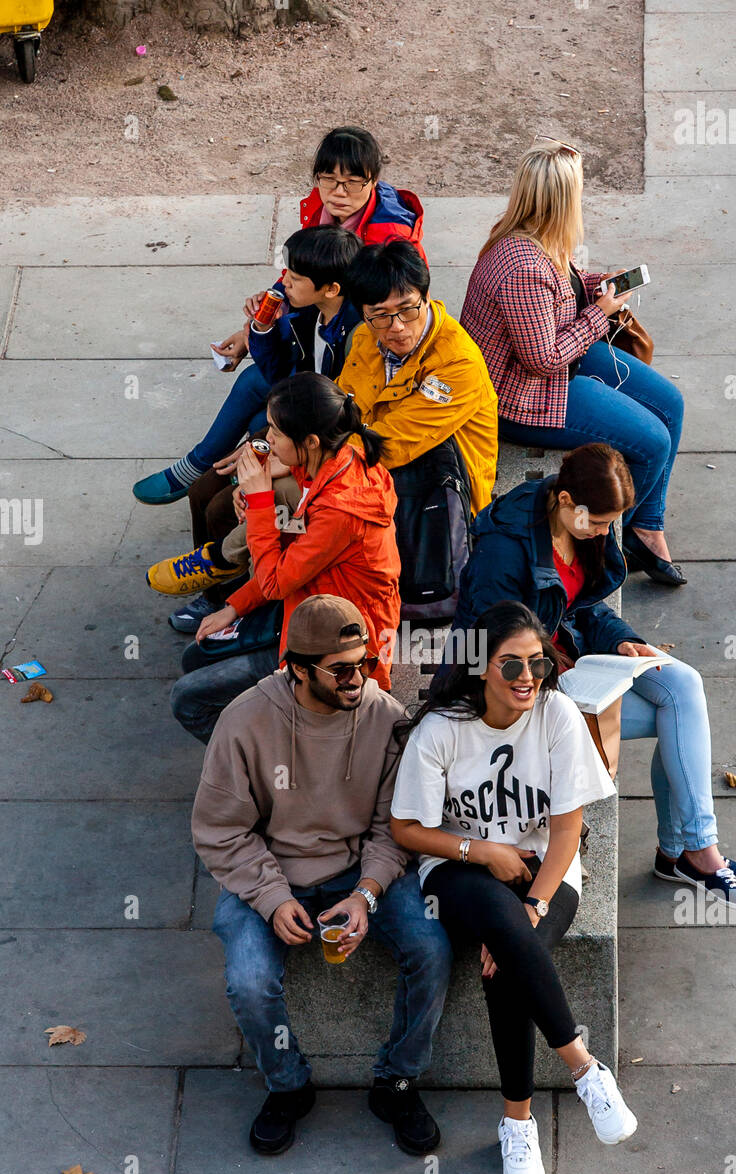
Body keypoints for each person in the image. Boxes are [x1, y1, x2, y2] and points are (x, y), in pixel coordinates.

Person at [390, 601, 635, 1174]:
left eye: (538, 663)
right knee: (503, 929)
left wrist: (535, 907)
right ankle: (582, 1066)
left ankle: (517, 1123)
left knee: (506, 964)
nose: (528, 677)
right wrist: (481, 851)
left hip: (546, 874)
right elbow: (405, 828)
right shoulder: (442, 730)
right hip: (456, 870)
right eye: (511, 665)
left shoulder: (556, 716)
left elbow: (567, 831)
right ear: (480, 669)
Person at [192, 594, 451, 1157]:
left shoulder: (384, 717)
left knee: (431, 946)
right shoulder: (244, 722)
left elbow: (395, 824)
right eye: (341, 669)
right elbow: (220, 830)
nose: (359, 678)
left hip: (358, 868)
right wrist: (270, 896)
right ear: (297, 670)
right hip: (267, 870)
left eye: (365, 662)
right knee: (249, 981)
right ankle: (288, 1087)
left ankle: (398, 1082)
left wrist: (367, 891)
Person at [448, 444, 736, 908]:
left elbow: (584, 608)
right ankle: (683, 854)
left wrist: (621, 641)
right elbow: (495, 649)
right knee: (675, 722)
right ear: (565, 499)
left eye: (610, 523)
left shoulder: (581, 526)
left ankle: (695, 848)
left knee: (681, 684)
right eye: (596, 522)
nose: (602, 533)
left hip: (566, 663)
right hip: (511, 688)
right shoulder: (505, 549)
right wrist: (557, 669)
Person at [133, 125, 424, 512]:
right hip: (317, 366)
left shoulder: (385, 254)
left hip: (345, 396)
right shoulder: (323, 224)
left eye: (352, 182)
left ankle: (209, 471)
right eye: (328, 180)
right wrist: (257, 327)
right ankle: (204, 468)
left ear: (373, 181)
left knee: (253, 416)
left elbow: (378, 350)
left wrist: (274, 440)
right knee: (256, 389)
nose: (338, 192)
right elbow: (301, 276)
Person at [460, 137, 686, 586]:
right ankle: (609, 541)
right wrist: (599, 315)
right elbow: (544, 359)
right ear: (562, 201)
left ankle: (646, 524)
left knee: (670, 404)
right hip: (525, 396)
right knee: (652, 443)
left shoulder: (535, 233)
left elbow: (561, 287)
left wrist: (599, 288)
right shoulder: (520, 263)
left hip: (563, 357)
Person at [169, 374, 401, 743]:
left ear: (309, 441)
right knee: (196, 656)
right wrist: (234, 606)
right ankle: (268, 731)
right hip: (305, 604)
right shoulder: (340, 460)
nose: (267, 440)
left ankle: (267, 762)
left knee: (187, 700)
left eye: (275, 432)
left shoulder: (342, 509)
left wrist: (261, 500)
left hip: (333, 646)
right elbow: (293, 561)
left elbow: (277, 581)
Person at [338, 239, 498, 519]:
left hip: (438, 496)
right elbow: (342, 405)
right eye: (380, 315)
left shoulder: (458, 362)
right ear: (363, 314)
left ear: (426, 296)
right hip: (371, 463)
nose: (397, 326)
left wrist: (310, 457)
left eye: (408, 309)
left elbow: (393, 443)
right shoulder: (365, 337)